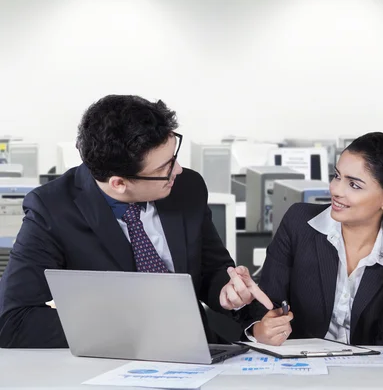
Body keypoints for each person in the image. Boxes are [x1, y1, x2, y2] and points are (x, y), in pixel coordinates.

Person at [0, 95, 271, 348]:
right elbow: (14, 321)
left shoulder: (187, 187)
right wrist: (131, 329)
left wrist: (227, 292)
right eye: (164, 168)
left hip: (198, 353)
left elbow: (212, 270)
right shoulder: (52, 209)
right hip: (111, 362)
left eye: (173, 157)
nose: (177, 170)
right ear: (118, 183)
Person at [243, 132, 383, 346]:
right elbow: (267, 302)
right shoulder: (299, 224)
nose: (336, 190)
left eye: (354, 185)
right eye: (337, 176)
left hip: (373, 374)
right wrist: (261, 329)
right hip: (300, 368)